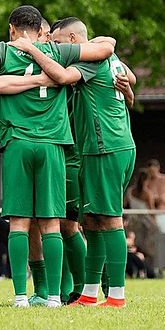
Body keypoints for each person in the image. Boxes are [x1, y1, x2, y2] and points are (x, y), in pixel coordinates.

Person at [0, 5, 115, 307]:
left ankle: (21, 296)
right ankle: (52, 298)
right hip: (52, 144)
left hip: (16, 142)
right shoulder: (60, 53)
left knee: (20, 222)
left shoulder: (1, 52)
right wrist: (42, 69)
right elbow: (103, 49)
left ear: (11, 29)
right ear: (40, 30)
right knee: (51, 223)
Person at [24, 16, 137, 307]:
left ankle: (117, 295)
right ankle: (88, 292)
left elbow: (62, 77)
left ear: (74, 40)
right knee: (93, 220)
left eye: (59, 43)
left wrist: (33, 50)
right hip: (108, 146)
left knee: (110, 219)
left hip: (106, 147)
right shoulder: (107, 53)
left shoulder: (90, 59)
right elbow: (130, 77)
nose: (57, 50)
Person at [143, 159, 165, 272]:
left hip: (164, 212)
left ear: (158, 168)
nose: (152, 174)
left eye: (154, 171)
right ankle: (154, 267)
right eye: (150, 172)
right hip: (151, 214)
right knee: (152, 240)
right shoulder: (146, 182)